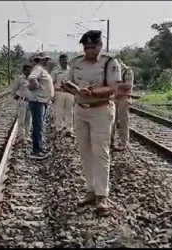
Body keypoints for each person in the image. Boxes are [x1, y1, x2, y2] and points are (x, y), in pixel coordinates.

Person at [62, 30, 122, 213]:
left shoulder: (110, 63)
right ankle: (90, 190)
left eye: (93, 46)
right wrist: (74, 89)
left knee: (101, 152)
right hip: (81, 110)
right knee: (85, 151)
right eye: (86, 46)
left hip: (101, 110)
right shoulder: (76, 62)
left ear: (100, 46)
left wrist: (93, 92)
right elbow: (66, 81)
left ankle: (102, 195)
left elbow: (113, 88)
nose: (89, 49)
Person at [27, 51, 54, 160]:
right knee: (38, 125)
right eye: (45, 59)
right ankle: (36, 150)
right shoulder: (38, 68)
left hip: (42, 101)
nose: (47, 61)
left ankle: (39, 147)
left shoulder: (42, 69)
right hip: (38, 101)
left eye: (47, 59)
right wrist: (36, 85)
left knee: (40, 125)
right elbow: (31, 78)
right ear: (40, 60)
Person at [111, 59, 134, 151]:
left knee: (123, 121)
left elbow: (128, 85)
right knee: (112, 121)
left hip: (124, 98)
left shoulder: (127, 71)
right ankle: (111, 142)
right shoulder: (113, 72)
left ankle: (123, 143)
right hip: (114, 98)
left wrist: (115, 85)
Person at [51, 54, 75, 137]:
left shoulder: (71, 70)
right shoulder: (55, 71)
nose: (64, 62)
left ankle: (69, 130)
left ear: (68, 60)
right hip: (59, 92)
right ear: (59, 61)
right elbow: (52, 83)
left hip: (69, 93)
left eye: (65, 60)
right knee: (59, 111)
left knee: (70, 112)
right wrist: (52, 95)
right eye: (62, 60)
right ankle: (59, 128)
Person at [11, 63, 33, 144]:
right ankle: (21, 137)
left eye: (30, 70)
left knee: (28, 120)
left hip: (30, 102)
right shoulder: (20, 79)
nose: (28, 71)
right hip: (22, 101)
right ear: (23, 71)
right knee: (21, 120)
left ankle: (27, 136)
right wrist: (17, 97)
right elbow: (14, 90)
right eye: (27, 70)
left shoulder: (33, 79)